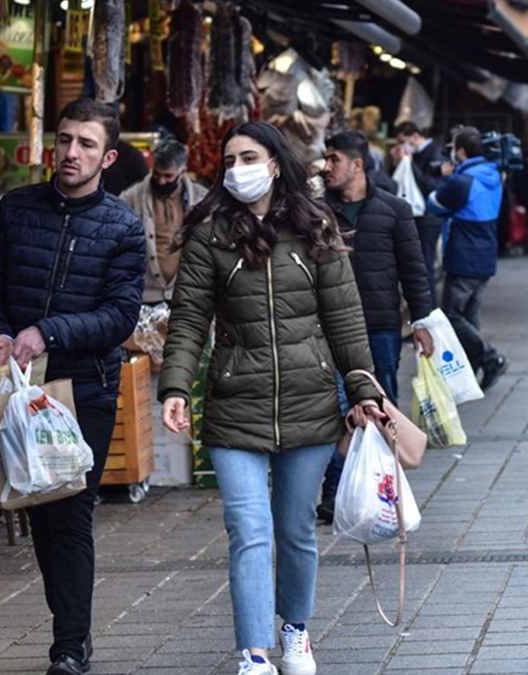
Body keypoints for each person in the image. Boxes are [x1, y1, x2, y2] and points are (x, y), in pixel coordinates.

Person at [158, 121, 382, 675]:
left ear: (276, 164)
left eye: (249, 157)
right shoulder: (211, 235)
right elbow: (188, 319)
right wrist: (175, 386)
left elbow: (345, 318)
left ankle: (295, 630)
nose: (237, 169)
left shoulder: (314, 227)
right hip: (235, 405)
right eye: (230, 161)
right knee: (249, 532)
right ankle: (254, 653)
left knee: (296, 531)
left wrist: (362, 387)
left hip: (309, 403)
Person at [0, 98, 146, 675]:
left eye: (86, 144)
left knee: (69, 510)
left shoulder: (122, 227)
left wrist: (48, 331)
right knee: (38, 513)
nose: (71, 152)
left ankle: (70, 646)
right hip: (21, 388)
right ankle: (70, 627)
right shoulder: (17, 208)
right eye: (65, 139)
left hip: (84, 390)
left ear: (107, 157)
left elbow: (120, 316)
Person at [316, 131, 435, 523]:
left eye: (334, 159)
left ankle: (383, 487)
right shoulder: (316, 212)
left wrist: (421, 321)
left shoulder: (394, 210)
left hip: (380, 325)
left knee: (381, 408)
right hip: (329, 329)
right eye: (325, 159)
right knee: (337, 410)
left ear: (357, 165)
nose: (326, 167)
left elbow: (414, 269)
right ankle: (335, 490)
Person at [429, 126, 509, 390]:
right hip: (485, 254)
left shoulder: (462, 181)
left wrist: (445, 178)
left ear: (461, 151)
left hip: (464, 255)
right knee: (470, 314)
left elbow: (435, 205)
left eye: (453, 147)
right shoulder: (493, 174)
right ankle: (474, 368)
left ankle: (491, 358)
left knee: (452, 316)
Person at [121, 139, 207, 304]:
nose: (161, 181)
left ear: (182, 173)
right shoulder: (131, 198)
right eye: (157, 174)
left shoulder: (201, 199)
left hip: (187, 294)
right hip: (144, 295)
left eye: (168, 176)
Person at [393, 121, 444, 303]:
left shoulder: (434, 154)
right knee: (417, 264)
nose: (402, 147)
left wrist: (410, 163)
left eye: (403, 141)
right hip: (417, 216)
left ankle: (431, 307)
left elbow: (431, 186)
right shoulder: (415, 154)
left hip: (428, 218)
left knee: (425, 264)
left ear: (415, 136)